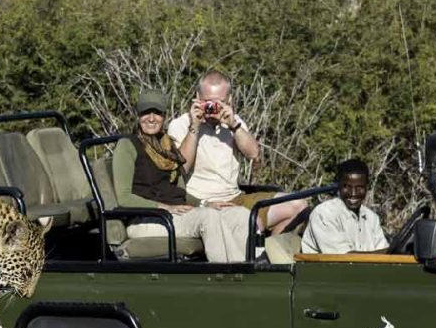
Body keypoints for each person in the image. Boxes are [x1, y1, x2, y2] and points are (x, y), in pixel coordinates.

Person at [112, 89, 250, 263]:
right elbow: (124, 198)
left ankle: (251, 269)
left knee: (240, 215)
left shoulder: (166, 145)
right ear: (138, 115)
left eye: (157, 113)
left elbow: (179, 191)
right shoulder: (127, 145)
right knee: (208, 217)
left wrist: (204, 203)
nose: (151, 118)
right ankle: (229, 275)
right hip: (147, 219)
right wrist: (163, 207)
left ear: (164, 116)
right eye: (146, 113)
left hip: (174, 215)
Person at [167, 71, 307, 235]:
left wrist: (233, 125)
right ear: (197, 97)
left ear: (230, 100)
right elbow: (182, 167)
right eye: (207, 103)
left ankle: (270, 253)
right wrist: (195, 127)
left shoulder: (234, 122)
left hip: (235, 197)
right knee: (252, 223)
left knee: (298, 205)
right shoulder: (181, 124)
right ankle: (255, 254)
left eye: (218, 103)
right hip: (203, 202)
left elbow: (254, 154)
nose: (212, 109)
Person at [301, 158, 389, 254]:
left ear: (367, 187)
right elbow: (344, 260)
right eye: (347, 187)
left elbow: (384, 253)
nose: (353, 193)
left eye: (359, 187)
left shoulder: (372, 218)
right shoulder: (324, 214)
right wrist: (390, 253)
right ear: (339, 186)